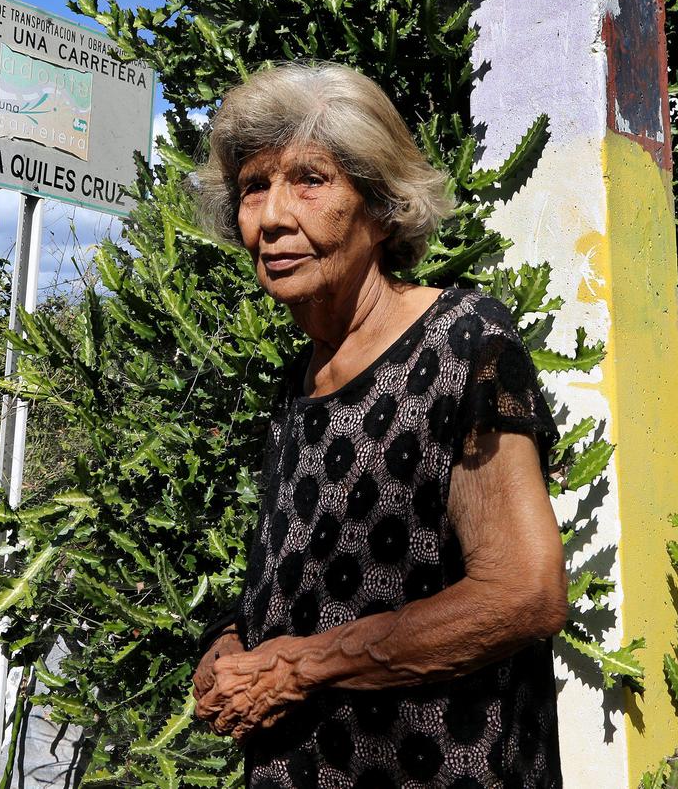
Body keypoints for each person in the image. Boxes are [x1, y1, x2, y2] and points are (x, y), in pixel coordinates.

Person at [191, 62, 567, 788]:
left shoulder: (462, 342)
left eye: (309, 180)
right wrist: (233, 645)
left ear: (380, 204)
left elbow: (524, 590)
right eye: (253, 188)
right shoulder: (296, 386)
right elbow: (303, 588)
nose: (271, 217)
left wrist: (297, 667)